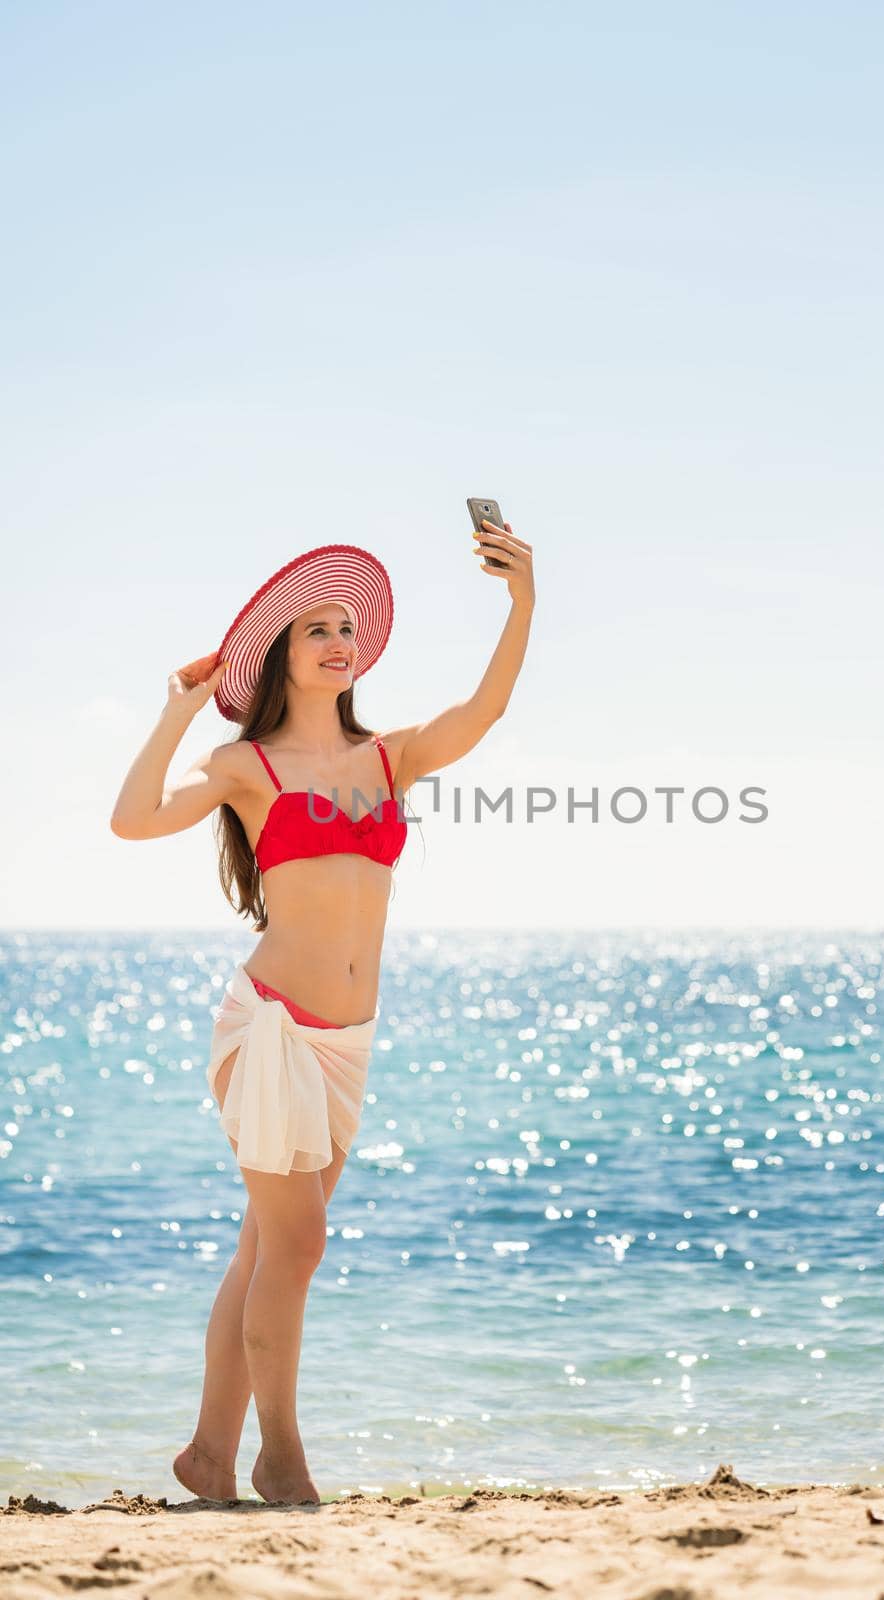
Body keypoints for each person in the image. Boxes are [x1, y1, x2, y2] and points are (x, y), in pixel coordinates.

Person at [110, 522, 535, 1505]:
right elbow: (131, 819)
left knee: (265, 1245)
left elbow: (487, 706)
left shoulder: (391, 756)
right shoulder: (245, 766)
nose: (340, 638)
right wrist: (176, 711)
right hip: (268, 1025)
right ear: (281, 658)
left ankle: (208, 1455)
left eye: (348, 625)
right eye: (317, 628)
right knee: (297, 1246)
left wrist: (520, 603)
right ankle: (280, 1456)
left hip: (347, 1043)